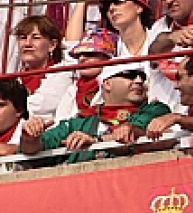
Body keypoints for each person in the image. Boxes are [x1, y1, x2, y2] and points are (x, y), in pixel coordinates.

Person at [19, 59, 172, 165]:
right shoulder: (80, 122)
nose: (139, 81)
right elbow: (35, 150)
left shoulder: (156, 110)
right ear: (107, 84)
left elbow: (134, 131)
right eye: (129, 76)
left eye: (142, 77)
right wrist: (30, 137)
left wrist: (94, 141)